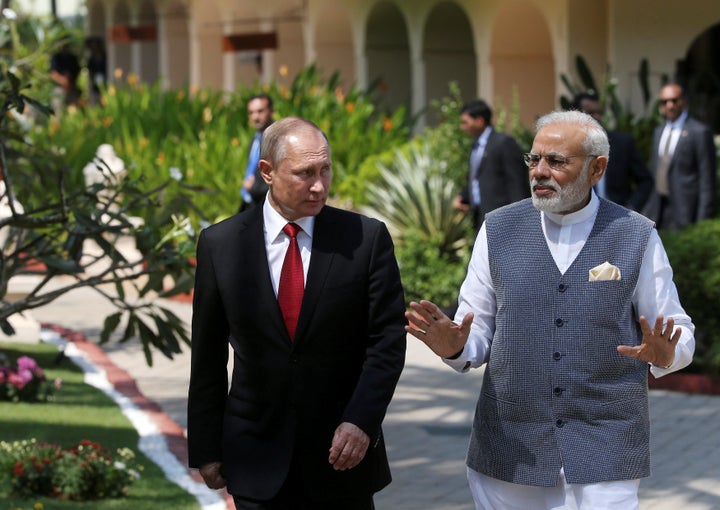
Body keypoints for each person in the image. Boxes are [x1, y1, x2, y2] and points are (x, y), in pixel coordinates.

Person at [406, 110, 695, 510]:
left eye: (557, 161)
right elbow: (475, 330)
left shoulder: (636, 235)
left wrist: (668, 354)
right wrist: (453, 345)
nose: (540, 171)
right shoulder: (497, 229)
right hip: (510, 448)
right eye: (534, 159)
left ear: (597, 169)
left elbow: (677, 327)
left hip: (605, 446)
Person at [188, 117, 407, 509]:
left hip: (342, 458)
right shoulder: (220, 245)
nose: (320, 185)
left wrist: (362, 421)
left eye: (325, 170)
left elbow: (386, 343)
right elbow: (207, 355)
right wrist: (206, 447)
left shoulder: (366, 239)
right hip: (255, 456)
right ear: (267, 172)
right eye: (305, 173)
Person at [643, 83, 716, 230]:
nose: (670, 105)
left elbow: (707, 179)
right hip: (658, 209)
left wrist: (703, 220)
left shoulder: (699, 132)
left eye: (674, 100)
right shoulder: (659, 131)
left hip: (686, 211)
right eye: (665, 102)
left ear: (683, 101)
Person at [452, 99, 529, 233]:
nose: (462, 127)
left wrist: (520, 219)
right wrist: (463, 197)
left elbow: (517, 183)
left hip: (502, 219)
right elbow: (476, 177)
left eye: (465, 122)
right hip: (480, 218)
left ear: (479, 121)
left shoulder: (503, 143)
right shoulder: (476, 146)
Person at [572, 92, 653, 211]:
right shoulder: (566, 147)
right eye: (591, 113)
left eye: (599, 112)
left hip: (616, 217)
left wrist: (631, 207)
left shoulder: (622, 143)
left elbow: (645, 181)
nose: (597, 117)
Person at [239, 94, 275, 212]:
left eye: (260, 111)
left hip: (266, 205)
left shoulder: (277, 139)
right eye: (251, 112)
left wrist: (253, 187)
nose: (255, 117)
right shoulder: (256, 138)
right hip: (250, 203)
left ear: (271, 111)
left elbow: (279, 175)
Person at [49, 40, 81, 110]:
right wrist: (63, 81)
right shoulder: (56, 58)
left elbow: (77, 72)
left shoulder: (73, 58)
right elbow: (53, 73)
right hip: (59, 88)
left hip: (72, 87)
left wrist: (70, 83)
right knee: (57, 111)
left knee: (73, 110)